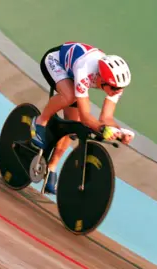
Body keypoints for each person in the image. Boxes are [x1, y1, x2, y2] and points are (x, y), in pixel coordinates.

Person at [32, 41, 135, 194]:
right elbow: (87, 116)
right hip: (55, 61)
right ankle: (40, 121)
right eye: (113, 88)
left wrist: (119, 133)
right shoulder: (85, 70)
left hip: (72, 72)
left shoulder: (115, 84)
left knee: (72, 125)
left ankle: (51, 168)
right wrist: (101, 128)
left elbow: (106, 117)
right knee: (69, 96)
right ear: (101, 79)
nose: (117, 92)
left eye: (120, 89)